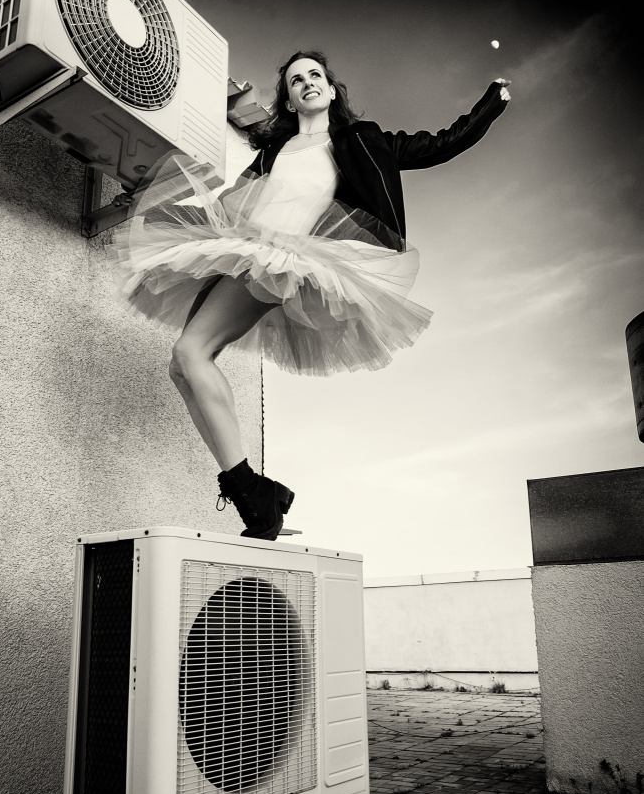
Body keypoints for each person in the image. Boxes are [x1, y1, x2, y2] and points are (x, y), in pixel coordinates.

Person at [110, 50, 511, 541]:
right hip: (243, 247)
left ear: (332, 89)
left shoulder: (362, 140)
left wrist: (492, 103)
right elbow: (236, 199)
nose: (306, 83)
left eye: (315, 75)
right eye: (295, 80)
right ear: (289, 99)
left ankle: (253, 493)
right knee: (183, 365)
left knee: (189, 352)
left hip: (280, 261)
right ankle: (257, 494)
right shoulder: (275, 150)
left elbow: (443, 144)